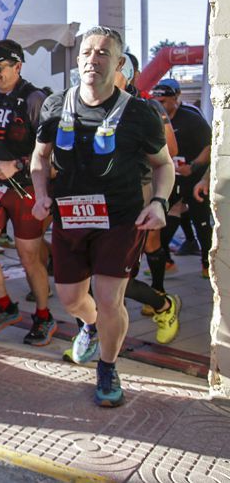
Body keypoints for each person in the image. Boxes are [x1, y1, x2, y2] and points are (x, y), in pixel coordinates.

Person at [32, 26, 173, 407]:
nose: (93, 59)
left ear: (119, 62)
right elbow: (40, 158)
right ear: (78, 60)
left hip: (120, 220)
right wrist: (41, 194)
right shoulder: (54, 105)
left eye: (103, 53)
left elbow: (164, 165)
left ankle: (108, 367)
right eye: (87, 52)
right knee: (72, 298)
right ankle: (90, 327)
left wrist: (159, 203)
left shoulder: (140, 113)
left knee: (111, 299)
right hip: (69, 217)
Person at [0, 39, 56, 346]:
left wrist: (15, 165)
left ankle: (44, 316)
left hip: (27, 187)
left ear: (18, 66)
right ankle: (5, 305)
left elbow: (51, 153)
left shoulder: (35, 99)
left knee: (29, 257)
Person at [113, 54, 181, 343]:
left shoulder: (148, 106)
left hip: (141, 189)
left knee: (147, 245)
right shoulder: (89, 103)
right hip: (102, 196)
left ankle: (160, 296)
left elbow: (171, 151)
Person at [150, 78, 213, 278]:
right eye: (157, 101)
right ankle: (166, 261)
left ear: (176, 98)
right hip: (172, 178)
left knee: (201, 222)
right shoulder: (154, 118)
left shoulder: (192, 118)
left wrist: (193, 166)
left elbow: (210, 147)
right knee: (163, 221)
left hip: (195, 178)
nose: (161, 105)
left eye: (165, 101)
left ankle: (207, 264)